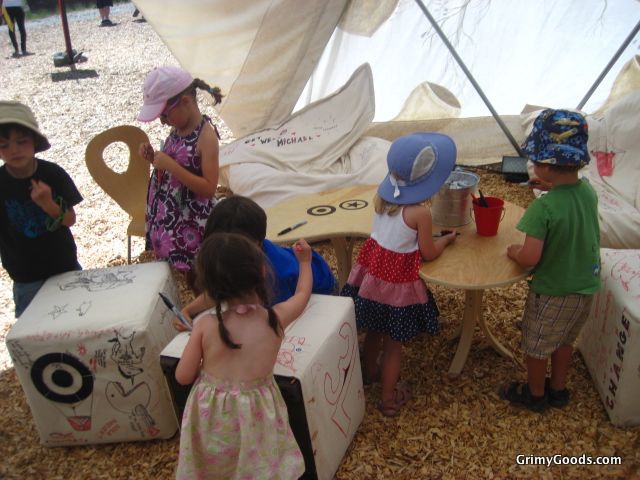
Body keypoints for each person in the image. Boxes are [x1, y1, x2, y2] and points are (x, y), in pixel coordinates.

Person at [175, 232, 310, 479]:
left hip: (213, 416)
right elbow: (302, 295)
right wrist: (305, 263)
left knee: (217, 469)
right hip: (260, 413)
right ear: (261, 271)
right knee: (260, 467)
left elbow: (183, 376)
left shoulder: (205, 325)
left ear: (209, 286)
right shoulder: (275, 319)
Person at [341, 132, 458, 417]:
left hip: (371, 283)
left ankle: (369, 374)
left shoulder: (382, 199)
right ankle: (388, 399)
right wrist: (446, 240)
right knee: (394, 346)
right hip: (397, 291)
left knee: (373, 333)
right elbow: (428, 253)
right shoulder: (421, 214)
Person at [503, 109, 600, 412]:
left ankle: (534, 394)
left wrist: (514, 251)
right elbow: (568, 203)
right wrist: (553, 186)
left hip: (554, 291)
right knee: (564, 340)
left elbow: (530, 258)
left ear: (545, 165)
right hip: (585, 285)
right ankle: (558, 389)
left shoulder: (543, 209)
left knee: (537, 346)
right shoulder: (587, 192)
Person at [173, 195, 337, 330]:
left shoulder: (277, 274)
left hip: (320, 290)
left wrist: (305, 262)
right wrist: (188, 311)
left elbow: (298, 300)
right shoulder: (240, 257)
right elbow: (222, 288)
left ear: (256, 243)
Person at [137, 65, 223, 287]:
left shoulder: (206, 137)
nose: (163, 122)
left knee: (194, 280)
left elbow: (209, 188)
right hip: (167, 222)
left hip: (189, 228)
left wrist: (172, 166)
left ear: (185, 102)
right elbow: (175, 167)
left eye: (165, 115)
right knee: (172, 278)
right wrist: (153, 158)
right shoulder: (178, 129)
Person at [0, 101, 82, 317]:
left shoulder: (53, 174)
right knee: (34, 328)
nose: (14, 150)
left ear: (35, 141)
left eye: (21, 141)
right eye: (4, 145)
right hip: (26, 277)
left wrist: (49, 205)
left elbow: (70, 220)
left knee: (79, 318)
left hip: (64, 265)